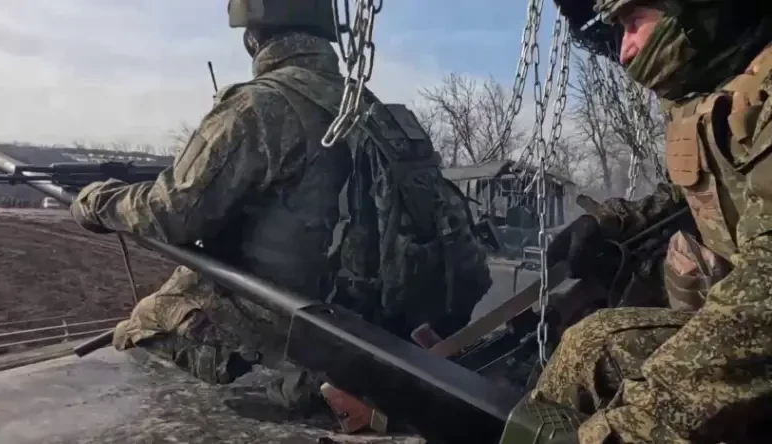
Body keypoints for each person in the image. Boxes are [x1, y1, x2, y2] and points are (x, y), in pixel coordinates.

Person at [69, 0, 491, 416]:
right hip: (371, 321)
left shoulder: (258, 105)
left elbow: (169, 212)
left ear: (253, 38)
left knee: (149, 318)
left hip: (299, 325)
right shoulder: (370, 108)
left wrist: (95, 202)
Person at [537, 0, 772, 442]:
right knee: (589, 346)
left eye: (632, 23)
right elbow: (688, 193)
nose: (624, 49)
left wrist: (635, 423)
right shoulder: (723, 92)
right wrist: (614, 222)